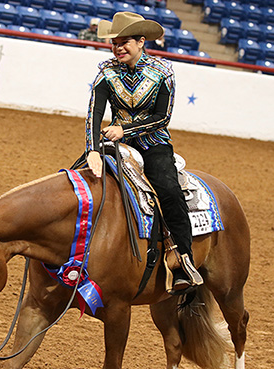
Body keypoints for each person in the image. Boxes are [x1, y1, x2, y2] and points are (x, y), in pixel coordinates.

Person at [84, 11, 202, 295]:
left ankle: (183, 260)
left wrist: (125, 129)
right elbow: (93, 113)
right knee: (81, 181)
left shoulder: (163, 74)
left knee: (168, 189)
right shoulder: (106, 73)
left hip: (153, 144)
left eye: (124, 42)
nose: (118, 48)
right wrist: (92, 150)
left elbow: (162, 118)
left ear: (141, 42)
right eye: (115, 43)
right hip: (114, 144)